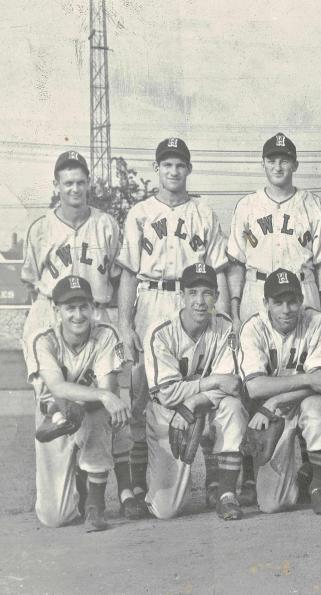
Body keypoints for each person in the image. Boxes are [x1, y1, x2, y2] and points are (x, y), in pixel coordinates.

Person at [21, 151, 143, 518]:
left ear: (89, 183)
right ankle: (65, 483)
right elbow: (30, 283)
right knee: (57, 411)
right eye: (67, 182)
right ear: (56, 186)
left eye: (80, 181)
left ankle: (121, 489)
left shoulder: (107, 224)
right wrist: (49, 324)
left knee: (110, 399)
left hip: (97, 317)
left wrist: (123, 323)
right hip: (52, 315)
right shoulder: (41, 227)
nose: (75, 188)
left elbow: (122, 278)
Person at [226, 132, 321, 507]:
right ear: (263, 164)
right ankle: (247, 473)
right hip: (260, 295)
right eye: (272, 159)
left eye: (285, 159)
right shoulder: (246, 206)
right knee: (248, 388)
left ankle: (311, 472)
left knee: (312, 382)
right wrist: (235, 305)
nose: (278, 165)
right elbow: (236, 265)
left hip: (301, 291)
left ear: (294, 164)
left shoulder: (310, 204)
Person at [116, 138, 230, 507]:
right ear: (157, 169)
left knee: (204, 387)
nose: (174, 171)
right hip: (150, 299)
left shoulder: (203, 212)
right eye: (167, 164)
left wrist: (225, 315)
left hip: (193, 301)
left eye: (180, 164)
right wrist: (124, 322)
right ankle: (136, 485)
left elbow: (220, 271)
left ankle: (213, 478)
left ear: (188, 169)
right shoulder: (139, 212)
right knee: (141, 394)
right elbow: (130, 274)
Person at [142, 264, 248, 521]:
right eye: (193, 293)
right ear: (181, 296)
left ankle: (224, 492)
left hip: (204, 407)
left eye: (207, 293)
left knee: (233, 407)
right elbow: (166, 393)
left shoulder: (225, 327)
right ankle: (149, 487)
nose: (200, 301)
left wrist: (192, 403)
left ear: (217, 297)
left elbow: (231, 385)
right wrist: (208, 383)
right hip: (168, 413)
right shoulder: (161, 331)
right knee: (165, 510)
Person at [27, 276, 131, 531]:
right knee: (54, 517)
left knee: (100, 416)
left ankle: (95, 505)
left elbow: (107, 390)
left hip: (90, 413)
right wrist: (103, 396)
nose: (77, 315)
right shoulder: (42, 339)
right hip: (55, 419)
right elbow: (58, 387)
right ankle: (77, 478)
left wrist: (104, 397)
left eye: (83, 306)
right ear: (56, 310)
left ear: (93, 308)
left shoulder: (106, 334)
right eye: (69, 308)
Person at [238, 268, 321, 514]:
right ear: (266, 303)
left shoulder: (316, 321)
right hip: (269, 414)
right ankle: (302, 476)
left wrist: (276, 399)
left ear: (301, 300)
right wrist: (305, 380)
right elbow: (254, 387)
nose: (286, 309)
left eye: (292, 301)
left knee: (318, 408)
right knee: (274, 504)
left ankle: (319, 487)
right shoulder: (253, 327)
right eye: (278, 302)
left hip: (298, 402)